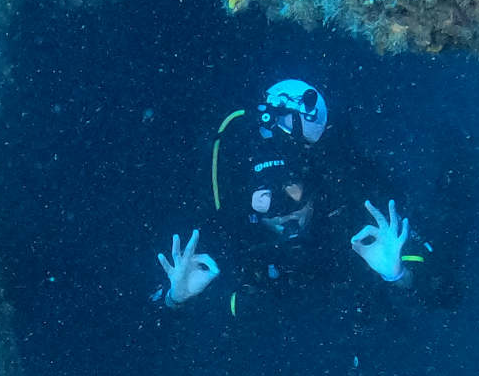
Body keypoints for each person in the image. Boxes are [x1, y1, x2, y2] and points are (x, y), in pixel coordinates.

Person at [154, 78, 420, 309]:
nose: (281, 210)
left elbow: (434, 294)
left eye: (290, 190)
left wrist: (396, 274)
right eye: (265, 195)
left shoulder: (353, 225)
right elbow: (147, 327)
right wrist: (176, 298)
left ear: (314, 192)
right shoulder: (223, 241)